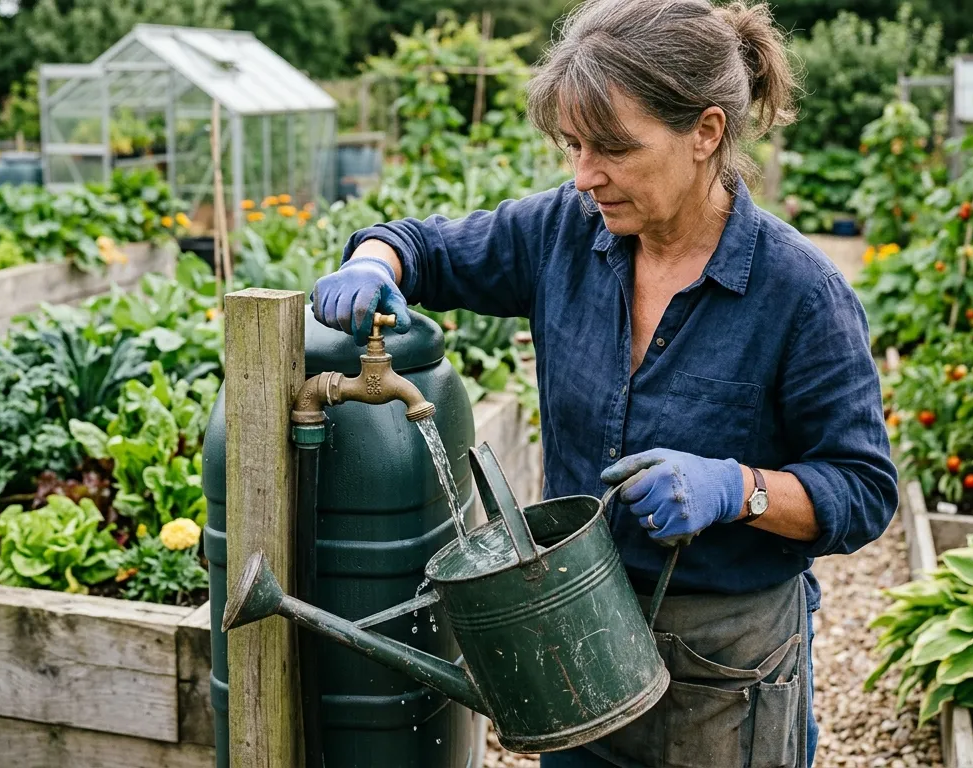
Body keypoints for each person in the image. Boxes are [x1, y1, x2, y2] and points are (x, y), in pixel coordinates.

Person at [311, 0, 897, 765]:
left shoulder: (799, 294)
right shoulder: (565, 233)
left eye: (613, 149)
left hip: (724, 667)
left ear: (706, 133)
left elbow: (862, 489)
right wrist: (375, 261)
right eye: (573, 145)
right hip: (573, 635)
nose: (585, 176)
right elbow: (428, 247)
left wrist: (740, 488)